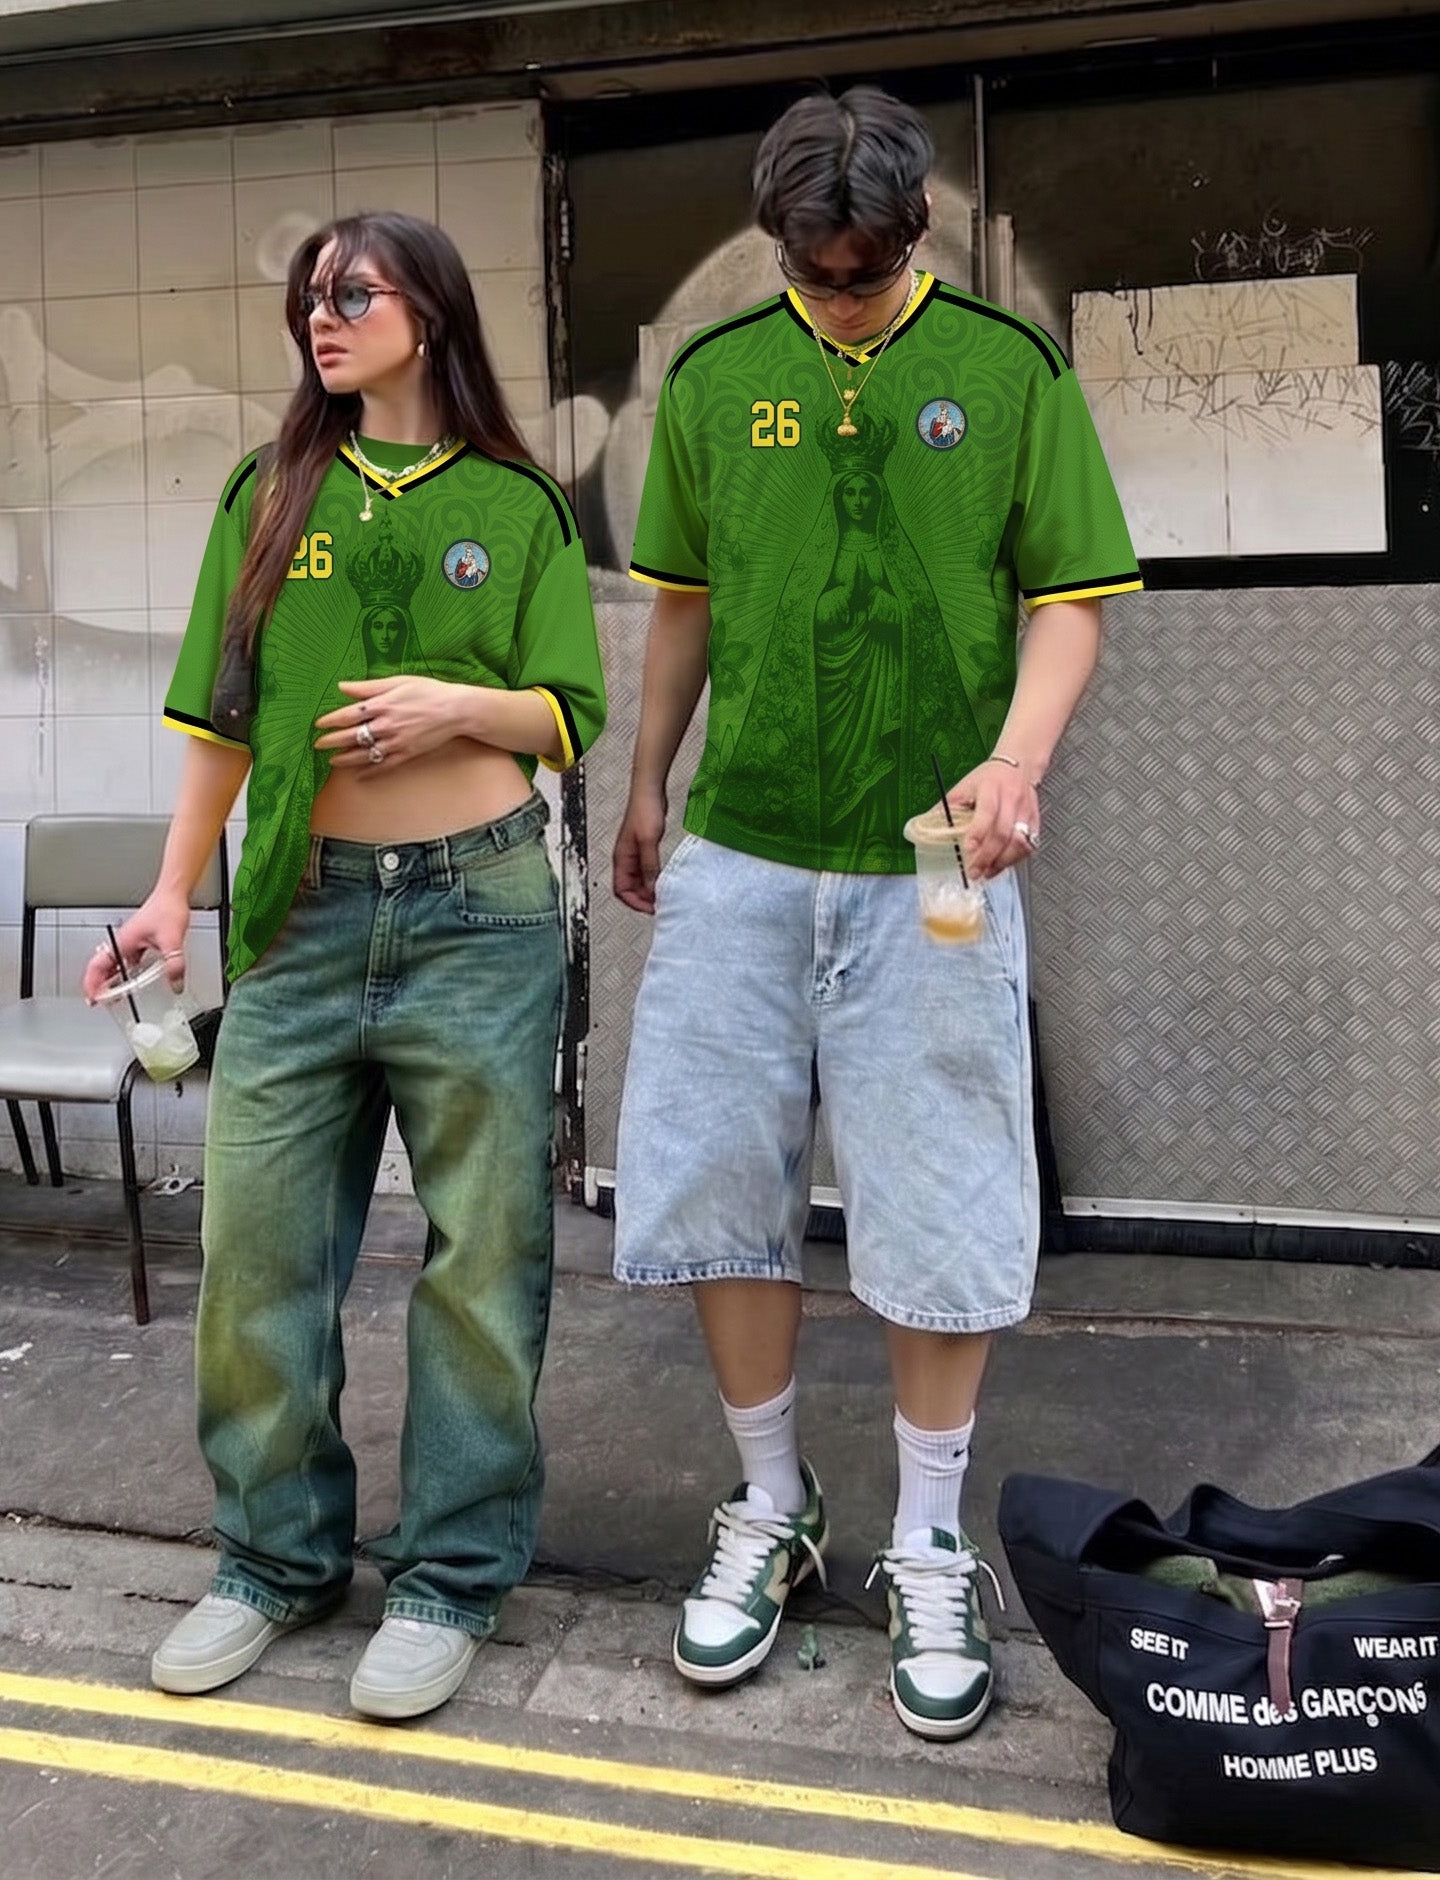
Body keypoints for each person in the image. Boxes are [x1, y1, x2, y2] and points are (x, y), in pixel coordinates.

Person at [611, 87, 1139, 1741]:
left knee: (935, 1188)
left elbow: (1070, 598)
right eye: (816, 271)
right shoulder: (713, 382)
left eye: (866, 269)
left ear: (917, 236)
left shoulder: (1006, 372)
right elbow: (682, 604)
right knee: (714, 1175)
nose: (841, 294)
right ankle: (773, 1507)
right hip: (744, 848)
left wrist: (1014, 762)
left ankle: (925, 1534)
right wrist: (646, 783)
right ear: (780, 245)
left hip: (933, 861)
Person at [84, 210, 605, 1720]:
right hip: (298, 923)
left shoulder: (516, 504)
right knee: (256, 1255)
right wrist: (171, 896)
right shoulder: (269, 493)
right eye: (312, 298)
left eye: (354, 293)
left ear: (429, 314)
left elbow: (569, 708)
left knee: (483, 1262)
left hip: (480, 918)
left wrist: (458, 704)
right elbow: (220, 722)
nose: (325, 318)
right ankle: (272, 1558)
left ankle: (449, 1579)